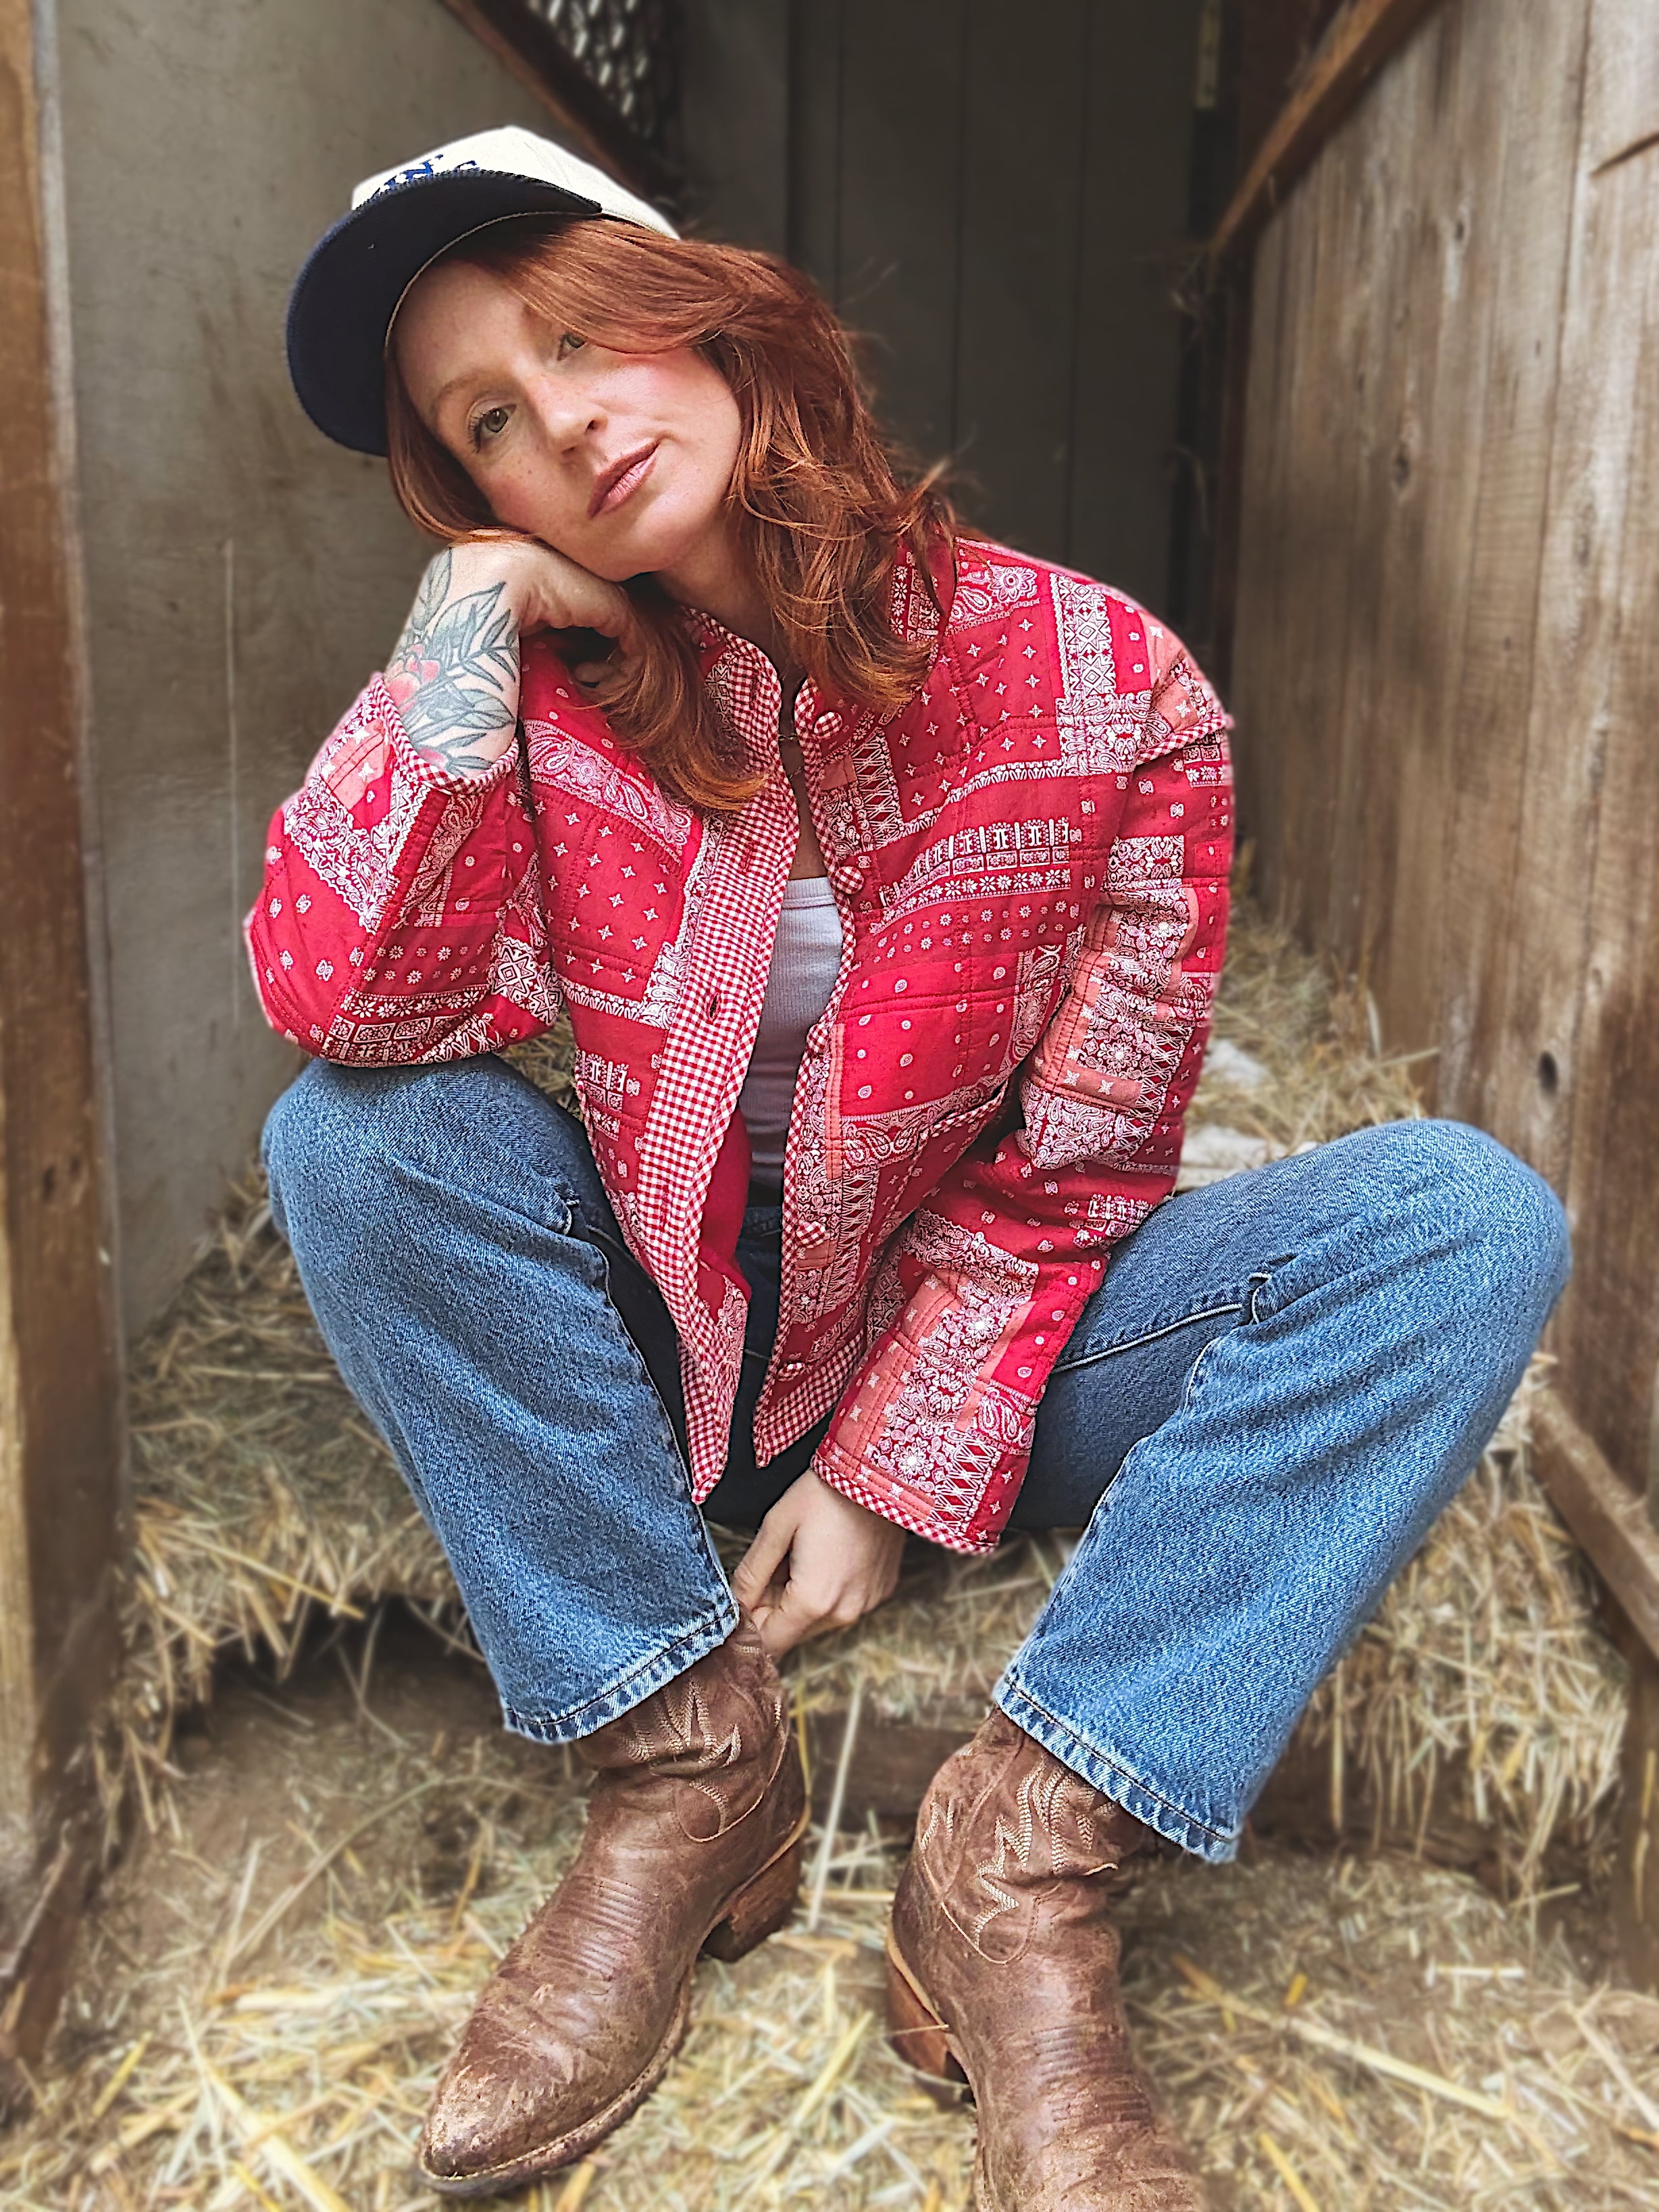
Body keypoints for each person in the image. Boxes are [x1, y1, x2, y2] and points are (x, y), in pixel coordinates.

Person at [255, 126, 1569, 2210]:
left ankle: (1019, 1858)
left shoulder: (1104, 686)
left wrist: (891, 1466)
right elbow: (339, 993)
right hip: (676, 1336)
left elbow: (1081, 1170)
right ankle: (686, 1763)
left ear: (707, 319)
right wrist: (463, 623)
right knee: (353, 1137)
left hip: (993, 1336)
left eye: (582, 338)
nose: (562, 422)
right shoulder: (536, 712)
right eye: (487, 420)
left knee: (1463, 1222)